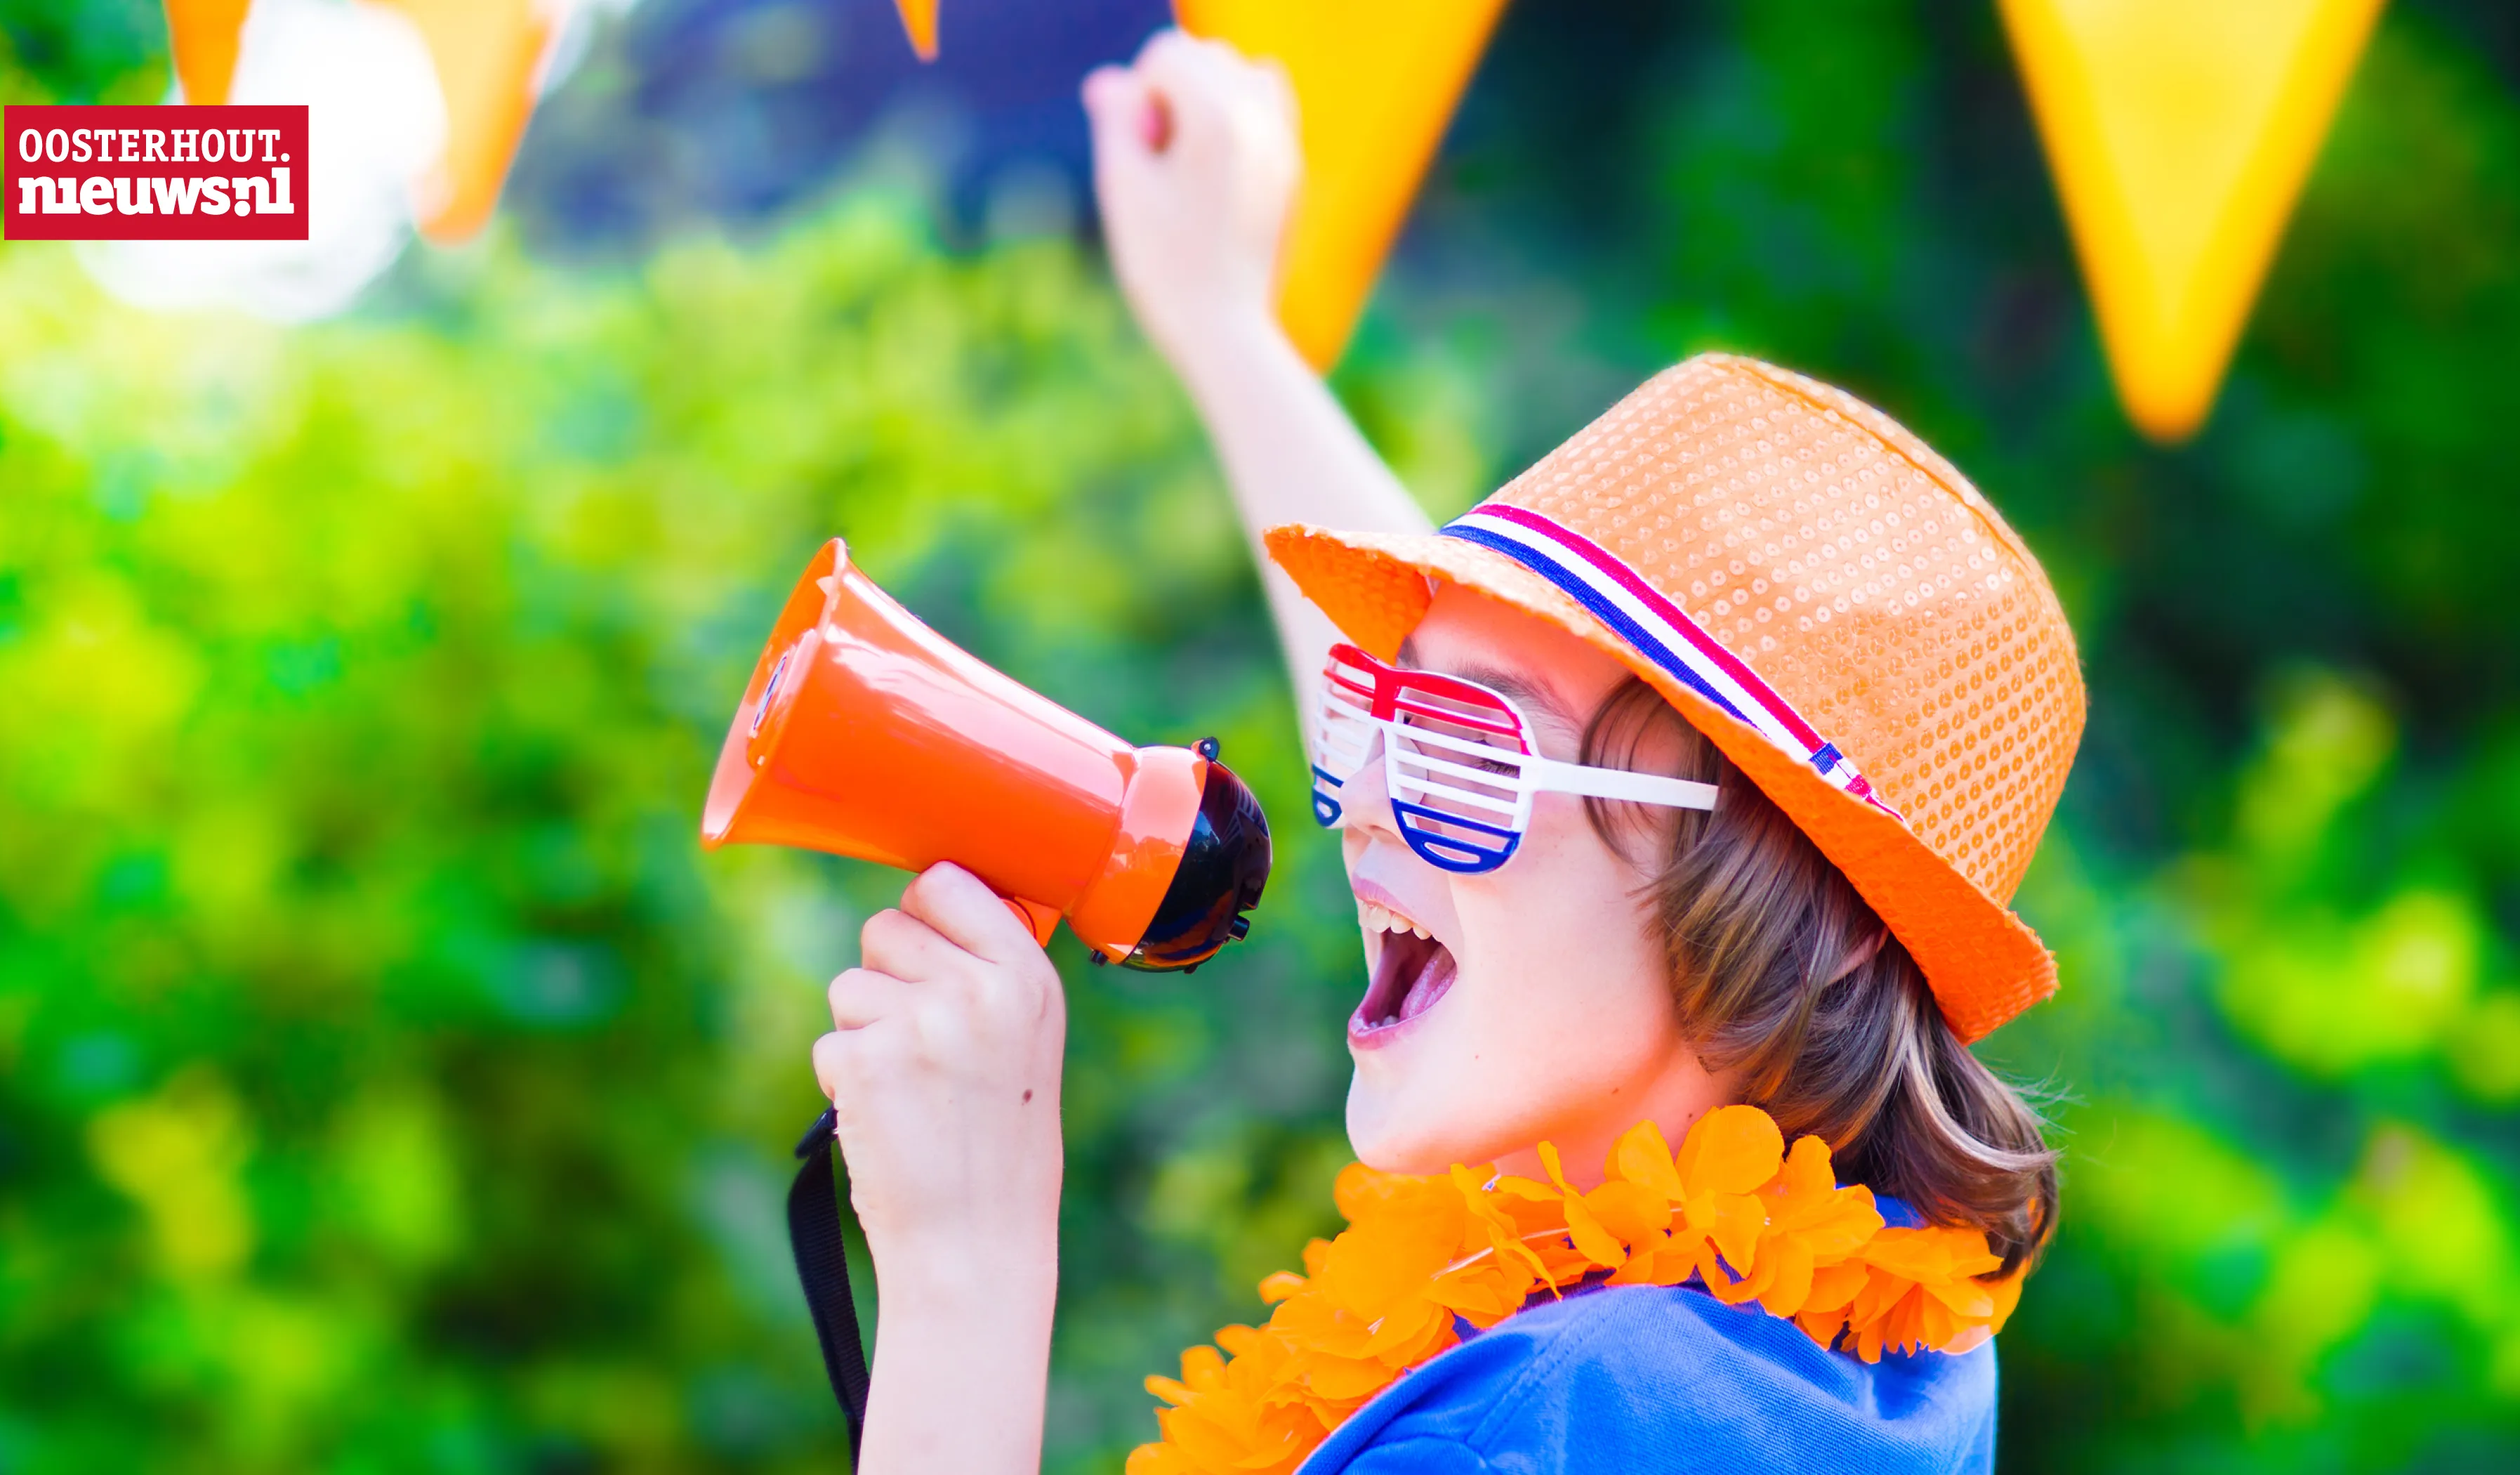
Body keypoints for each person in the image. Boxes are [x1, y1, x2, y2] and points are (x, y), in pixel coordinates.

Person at [807, 29, 2085, 1475]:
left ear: (1816, 923)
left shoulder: (1548, 1431)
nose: (1356, 813)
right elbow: (1520, 770)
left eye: (1470, 761)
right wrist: (1225, 323)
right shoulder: (1864, 1346)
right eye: (1374, 727)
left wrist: (964, 1260)